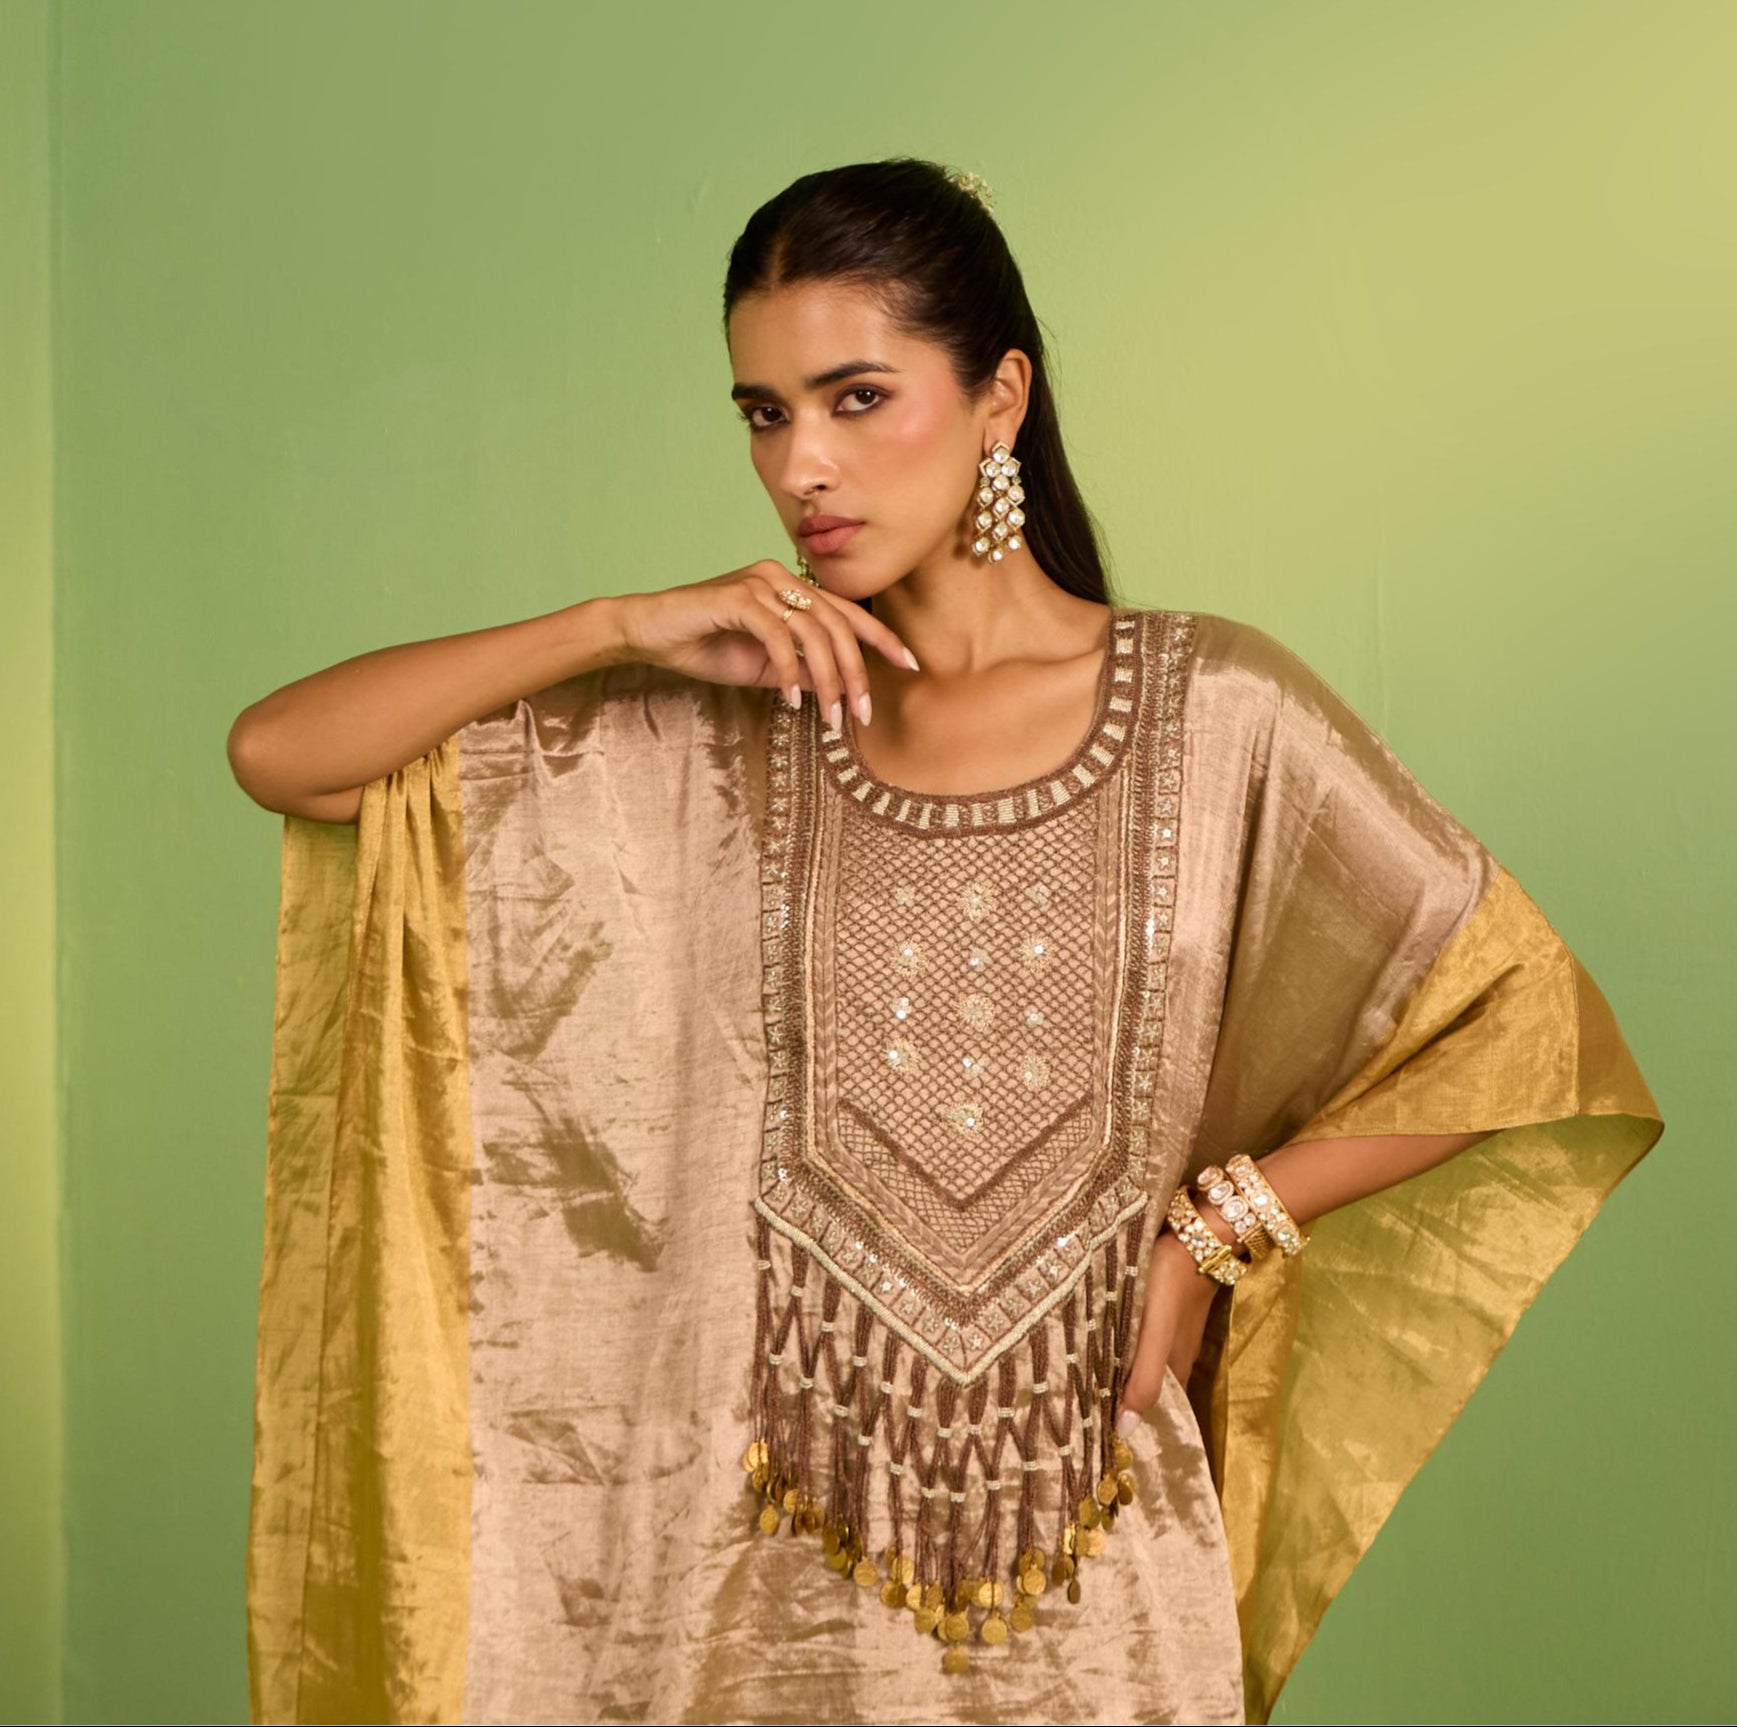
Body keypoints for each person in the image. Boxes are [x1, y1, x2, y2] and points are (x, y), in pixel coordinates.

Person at [227, 158, 1662, 1727]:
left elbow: (1517, 1020)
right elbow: (286, 755)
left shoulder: (1216, 712)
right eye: (763, 414)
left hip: (1088, 1582)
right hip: (727, 1602)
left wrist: (1213, 1234)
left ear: (999, 399)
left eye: (856, 399)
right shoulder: (707, 730)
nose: (801, 466)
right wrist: (616, 624)